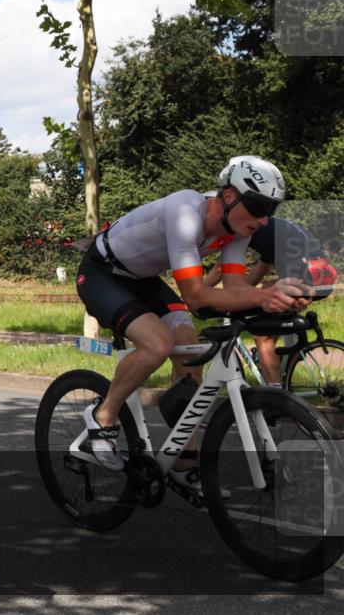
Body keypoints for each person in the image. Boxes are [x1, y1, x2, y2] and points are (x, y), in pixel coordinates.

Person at [75, 156, 312, 487]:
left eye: (270, 210)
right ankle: (103, 416)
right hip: (102, 273)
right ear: (228, 195)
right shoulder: (185, 212)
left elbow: (235, 290)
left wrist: (278, 296)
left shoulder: (237, 229)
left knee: (189, 347)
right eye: (257, 206)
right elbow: (197, 297)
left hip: (142, 278)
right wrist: (262, 296)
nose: (262, 219)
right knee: (159, 343)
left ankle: (184, 460)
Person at [204, 217, 337, 386]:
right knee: (269, 293)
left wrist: (196, 297)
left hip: (304, 277)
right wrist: (236, 298)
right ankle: (280, 369)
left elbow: (220, 268)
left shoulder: (242, 225)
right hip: (323, 277)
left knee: (263, 336)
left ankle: (275, 398)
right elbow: (259, 271)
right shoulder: (270, 228)